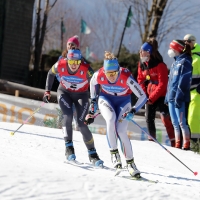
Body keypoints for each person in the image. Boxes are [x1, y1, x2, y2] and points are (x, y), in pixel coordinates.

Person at [85, 51, 147, 178]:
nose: (111, 76)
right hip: (106, 99)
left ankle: (130, 164)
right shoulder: (99, 74)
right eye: (109, 73)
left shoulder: (126, 77)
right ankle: (114, 154)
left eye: (114, 73)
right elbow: (92, 83)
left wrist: (133, 110)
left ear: (118, 70)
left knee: (121, 130)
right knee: (110, 119)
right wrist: (93, 101)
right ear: (105, 71)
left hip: (123, 102)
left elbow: (143, 96)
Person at [43, 49, 103, 166]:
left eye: (76, 62)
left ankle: (93, 154)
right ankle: (69, 147)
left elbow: (96, 84)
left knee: (82, 124)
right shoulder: (61, 64)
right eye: (71, 62)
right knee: (68, 115)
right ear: (67, 60)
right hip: (64, 93)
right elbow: (50, 73)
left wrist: (94, 101)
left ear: (80, 61)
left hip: (81, 95)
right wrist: (47, 91)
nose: (74, 65)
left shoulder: (86, 68)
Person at [137, 38, 175, 147]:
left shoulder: (160, 65)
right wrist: (144, 96)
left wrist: (151, 98)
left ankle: (174, 141)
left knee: (165, 118)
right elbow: (140, 80)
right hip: (149, 94)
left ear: (148, 52)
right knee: (148, 117)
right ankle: (151, 139)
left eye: (142, 51)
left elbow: (163, 84)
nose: (140, 53)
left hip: (162, 94)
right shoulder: (141, 64)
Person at [165, 40, 192, 150]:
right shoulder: (174, 62)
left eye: (172, 48)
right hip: (171, 97)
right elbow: (170, 82)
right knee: (174, 122)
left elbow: (183, 81)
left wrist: (179, 96)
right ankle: (177, 143)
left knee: (182, 122)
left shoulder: (186, 61)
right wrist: (167, 97)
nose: (170, 51)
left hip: (179, 98)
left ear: (177, 49)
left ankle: (186, 144)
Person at [57, 35, 80, 131]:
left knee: (74, 105)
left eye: (72, 44)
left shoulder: (78, 57)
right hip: (64, 85)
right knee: (64, 103)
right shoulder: (62, 57)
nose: (70, 46)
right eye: (69, 44)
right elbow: (57, 71)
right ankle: (59, 122)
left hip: (75, 85)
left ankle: (77, 124)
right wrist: (62, 80)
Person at [183, 34, 200, 146]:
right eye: (183, 41)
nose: (185, 43)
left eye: (187, 41)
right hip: (185, 93)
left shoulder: (198, 57)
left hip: (196, 92)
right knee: (185, 119)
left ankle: (195, 144)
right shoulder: (184, 55)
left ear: (192, 42)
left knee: (193, 118)